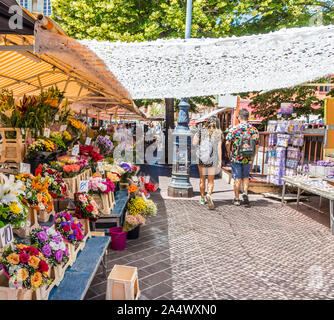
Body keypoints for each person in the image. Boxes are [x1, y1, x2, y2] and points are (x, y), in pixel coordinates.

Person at [225, 109, 259, 206]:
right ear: (248, 117)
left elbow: (227, 142)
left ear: (239, 117)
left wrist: (229, 152)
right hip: (248, 157)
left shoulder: (234, 129)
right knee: (245, 177)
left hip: (236, 156)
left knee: (237, 178)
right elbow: (257, 145)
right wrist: (253, 157)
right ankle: (245, 193)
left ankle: (236, 199)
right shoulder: (254, 130)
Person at [193, 116, 222, 209]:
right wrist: (220, 161)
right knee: (211, 180)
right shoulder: (218, 133)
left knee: (202, 179)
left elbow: (194, 143)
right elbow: (218, 148)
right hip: (212, 159)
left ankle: (202, 198)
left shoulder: (201, 131)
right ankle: (208, 195)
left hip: (201, 158)